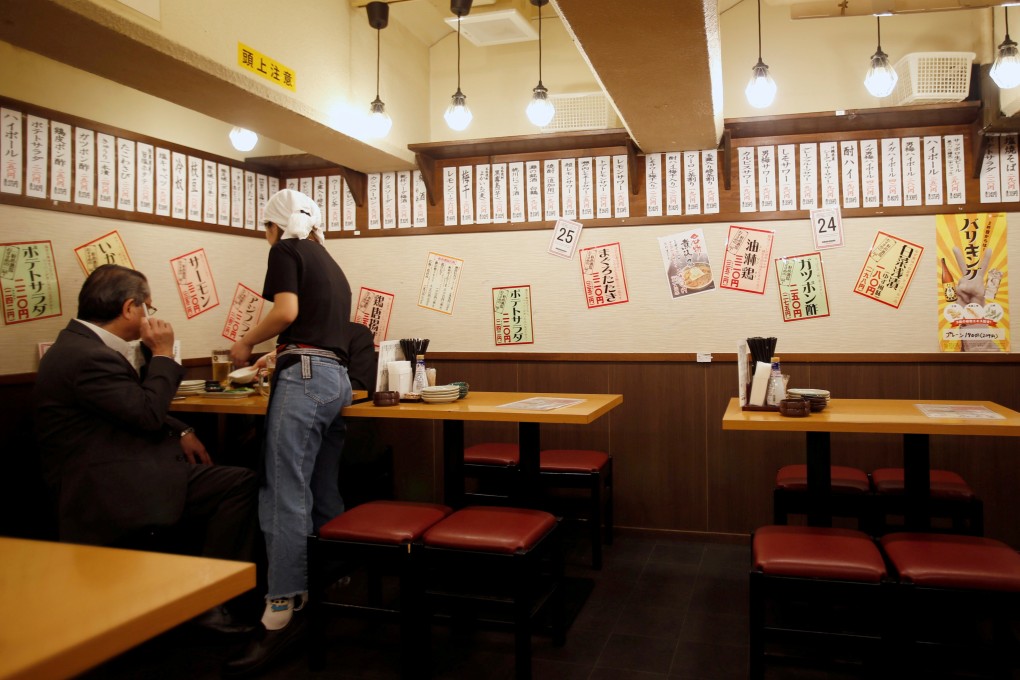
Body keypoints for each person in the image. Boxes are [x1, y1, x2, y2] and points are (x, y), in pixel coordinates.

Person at [32, 264, 259, 579]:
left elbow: (127, 404)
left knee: (225, 473)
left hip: (113, 468)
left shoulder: (77, 345)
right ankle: (215, 599)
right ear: (129, 308)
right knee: (239, 483)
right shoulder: (89, 357)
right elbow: (147, 414)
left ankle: (201, 592)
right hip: (106, 487)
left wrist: (182, 428)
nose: (150, 315)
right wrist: (164, 354)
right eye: (147, 307)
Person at [225, 189, 353, 676]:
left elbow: (287, 314)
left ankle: (281, 610)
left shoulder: (284, 250)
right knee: (320, 486)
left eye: (265, 228)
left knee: (282, 491)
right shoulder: (328, 259)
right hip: (334, 380)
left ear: (275, 225)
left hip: (305, 381)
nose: (265, 236)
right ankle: (327, 582)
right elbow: (318, 331)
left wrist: (245, 342)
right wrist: (278, 353)